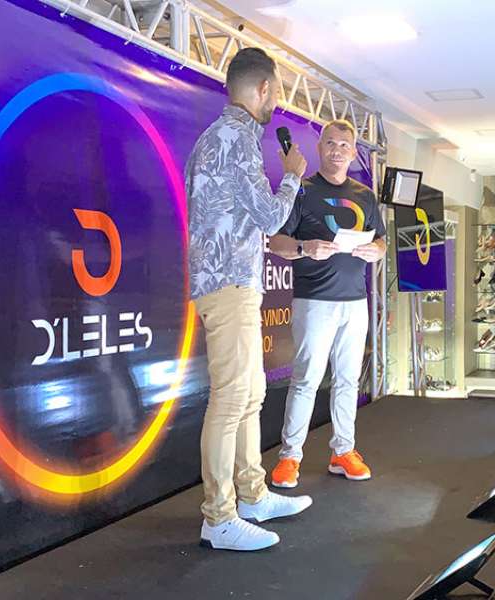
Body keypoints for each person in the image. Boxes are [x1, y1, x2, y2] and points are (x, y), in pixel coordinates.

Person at [186, 47, 312, 552]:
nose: (275, 101)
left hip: (228, 282)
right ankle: (219, 517)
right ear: (263, 88)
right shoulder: (237, 138)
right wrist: (294, 174)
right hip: (229, 285)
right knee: (231, 398)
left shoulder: (211, 138)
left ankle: (253, 494)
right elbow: (271, 216)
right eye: (275, 92)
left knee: (250, 393)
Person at [267, 119, 386, 489]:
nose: (337, 150)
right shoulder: (302, 191)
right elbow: (276, 242)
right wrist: (305, 247)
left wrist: (376, 250)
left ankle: (343, 451)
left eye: (344, 145)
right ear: (320, 148)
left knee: (348, 379)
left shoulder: (364, 195)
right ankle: (289, 456)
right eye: (331, 143)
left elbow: (382, 241)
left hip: (355, 302)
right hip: (314, 300)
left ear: (353, 152)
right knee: (306, 379)